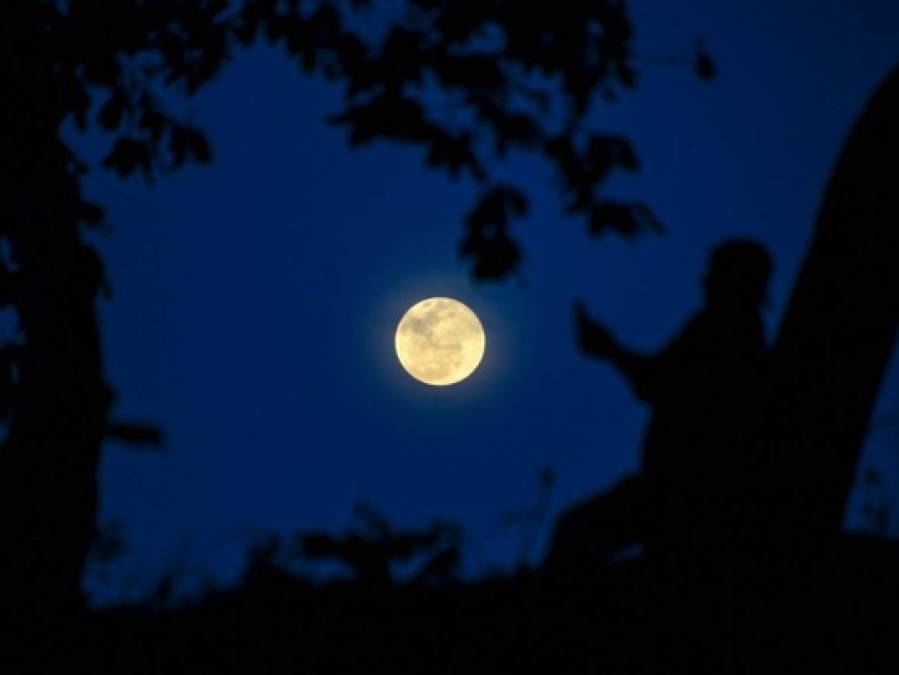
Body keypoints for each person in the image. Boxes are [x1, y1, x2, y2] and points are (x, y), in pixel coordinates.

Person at [543, 239, 773, 573]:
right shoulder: (729, 328)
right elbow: (659, 381)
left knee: (577, 532)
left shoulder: (725, 329)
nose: (704, 282)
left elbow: (661, 384)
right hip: (677, 486)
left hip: (687, 490)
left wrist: (610, 350)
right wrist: (612, 351)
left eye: (714, 274)